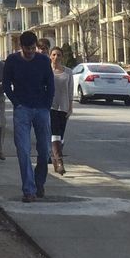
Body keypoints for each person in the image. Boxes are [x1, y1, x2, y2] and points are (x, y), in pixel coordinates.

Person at [1, 30, 54, 202]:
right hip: (22, 109)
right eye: (27, 49)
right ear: (20, 46)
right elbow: (6, 84)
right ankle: (28, 190)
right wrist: (16, 102)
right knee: (23, 150)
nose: (30, 52)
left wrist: (46, 105)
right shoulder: (12, 61)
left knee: (45, 149)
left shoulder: (44, 61)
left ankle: (39, 182)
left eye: (32, 48)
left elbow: (50, 85)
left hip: (41, 109)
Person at [49, 46, 74, 174]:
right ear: (50, 56)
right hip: (50, 106)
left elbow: (70, 91)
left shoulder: (68, 72)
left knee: (61, 136)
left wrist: (70, 107)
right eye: (53, 55)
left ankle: (54, 157)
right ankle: (60, 162)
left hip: (63, 106)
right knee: (55, 133)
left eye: (58, 55)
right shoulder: (47, 71)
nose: (56, 57)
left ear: (62, 57)